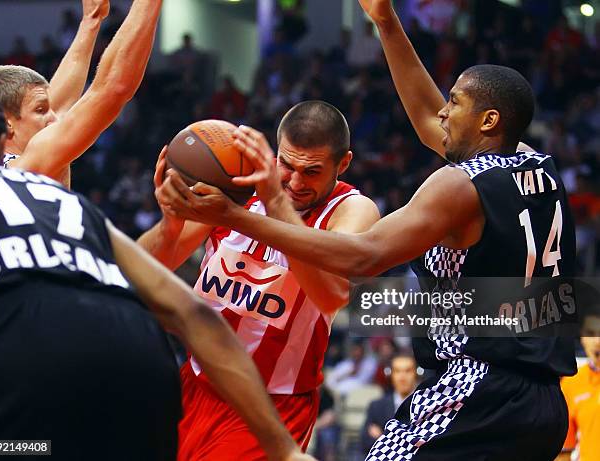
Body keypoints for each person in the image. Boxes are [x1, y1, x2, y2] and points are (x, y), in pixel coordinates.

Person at [165, 0, 578, 459]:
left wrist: (236, 217)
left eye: (455, 102)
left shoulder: (459, 185)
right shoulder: (539, 168)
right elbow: (428, 121)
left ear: (488, 121)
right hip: (544, 402)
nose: (443, 112)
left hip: (479, 384)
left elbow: (363, 257)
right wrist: (385, 21)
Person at [0, 94, 313, 461]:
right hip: (145, 360)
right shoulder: (60, 198)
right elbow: (192, 313)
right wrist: (286, 451)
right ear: (2, 140)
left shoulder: (344, 209)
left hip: (42, 355)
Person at [137, 100, 380, 460]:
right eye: (287, 165)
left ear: (342, 164)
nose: (295, 182)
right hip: (195, 384)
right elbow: (140, 269)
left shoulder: (352, 210)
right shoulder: (237, 184)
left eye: (312, 171)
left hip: (272, 406)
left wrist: (270, 201)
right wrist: (171, 225)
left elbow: (331, 295)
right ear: (276, 152)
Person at [0, 0, 145, 189]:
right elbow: (114, 88)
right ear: (7, 123)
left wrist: (91, 20)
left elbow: (58, 103)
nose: (54, 118)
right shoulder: (20, 170)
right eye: (40, 110)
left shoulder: (13, 163)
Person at [558, 286, 600, 461]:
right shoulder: (571, 383)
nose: (597, 341)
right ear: (581, 337)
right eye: (591, 334)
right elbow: (564, 451)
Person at [361, 355, 418, 454]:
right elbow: (366, 442)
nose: (402, 377)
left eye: (407, 371)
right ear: (390, 375)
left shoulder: (427, 405)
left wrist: (383, 437)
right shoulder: (376, 406)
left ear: (416, 374)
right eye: (397, 371)